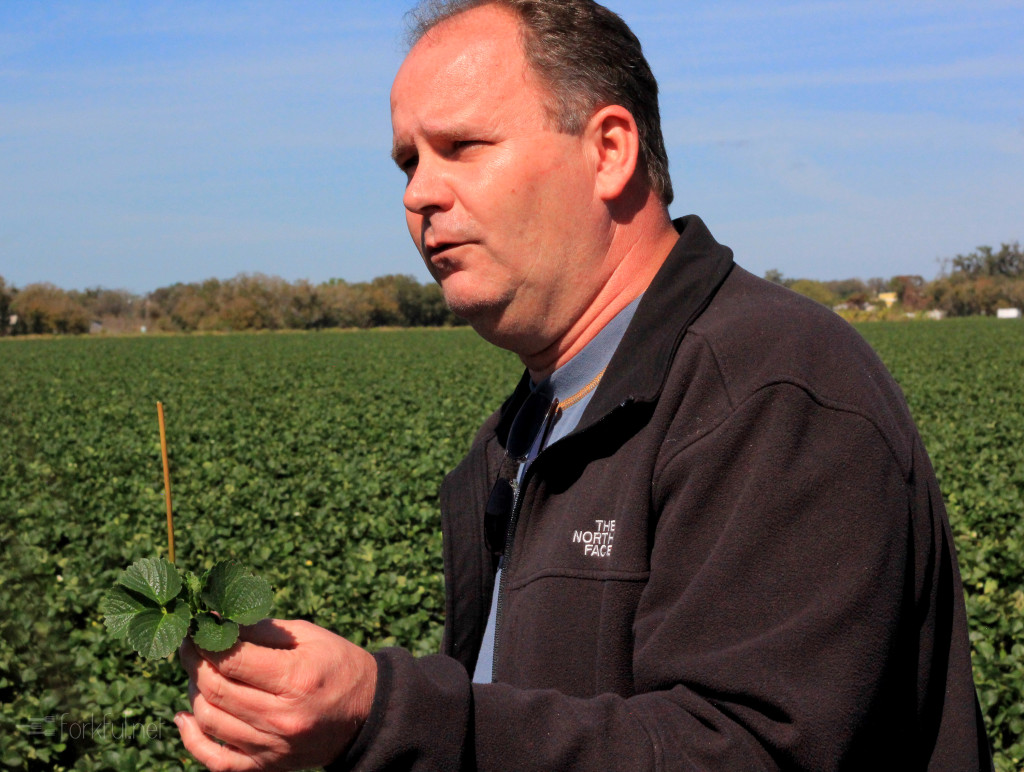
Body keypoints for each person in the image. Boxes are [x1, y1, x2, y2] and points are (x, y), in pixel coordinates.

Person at [175, 1, 993, 770]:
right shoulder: (523, 429)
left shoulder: (769, 389)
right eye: (407, 160)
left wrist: (385, 712)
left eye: (462, 146)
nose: (418, 192)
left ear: (609, 150)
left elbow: (751, 750)